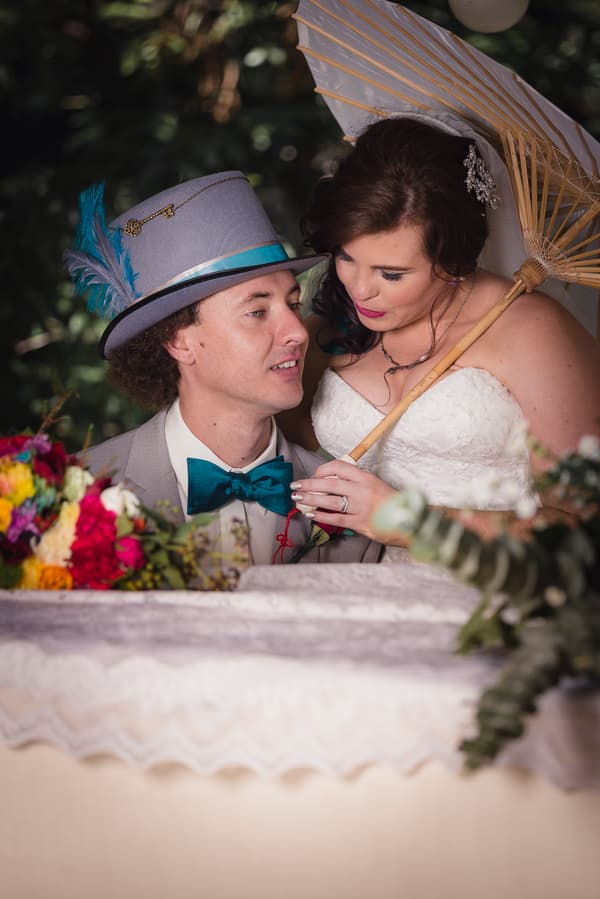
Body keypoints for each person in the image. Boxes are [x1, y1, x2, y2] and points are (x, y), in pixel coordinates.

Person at [277, 117, 600, 554]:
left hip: (493, 597)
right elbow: (288, 443)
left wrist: (416, 524)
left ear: (452, 259)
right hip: (349, 581)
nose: (360, 288)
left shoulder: (535, 332)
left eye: (392, 274)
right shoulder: (335, 315)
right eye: (346, 257)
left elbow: (582, 528)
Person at [63, 172, 382, 566]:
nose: (298, 332)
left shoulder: (349, 508)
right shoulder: (75, 493)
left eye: (293, 304)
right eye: (257, 311)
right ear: (179, 340)